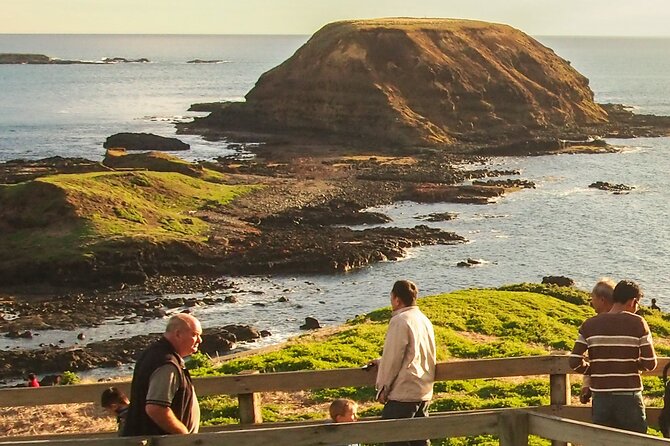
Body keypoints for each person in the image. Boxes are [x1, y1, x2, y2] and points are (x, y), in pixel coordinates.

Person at [569, 279, 657, 433]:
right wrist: (635, 365)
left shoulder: (589, 324)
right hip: (629, 396)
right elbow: (650, 363)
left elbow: (574, 361)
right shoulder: (638, 323)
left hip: (601, 397)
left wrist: (593, 369)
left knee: (603, 440)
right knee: (635, 442)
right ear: (633, 301)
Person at [369, 280, 436, 446]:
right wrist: (381, 362)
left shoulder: (400, 320)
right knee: (418, 441)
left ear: (397, 299)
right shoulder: (423, 319)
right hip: (423, 390)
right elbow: (417, 354)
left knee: (393, 438)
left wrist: (383, 388)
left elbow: (393, 358)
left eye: (391, 297)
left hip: (404, 392)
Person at [122, 313, 202, 436]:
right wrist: (184, 436)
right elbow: (156, 408)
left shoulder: (155, 354)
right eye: (195, 334)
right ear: (178, 334)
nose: (199, 340)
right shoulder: (167, 363)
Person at [579, 278, 616, 404]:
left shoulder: (590, 325)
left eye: (593, 297)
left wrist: (592, 373)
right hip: (628, 391)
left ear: (602, 300)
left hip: (600, 392)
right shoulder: (631, 323)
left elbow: (575, 360)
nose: (591, 301)